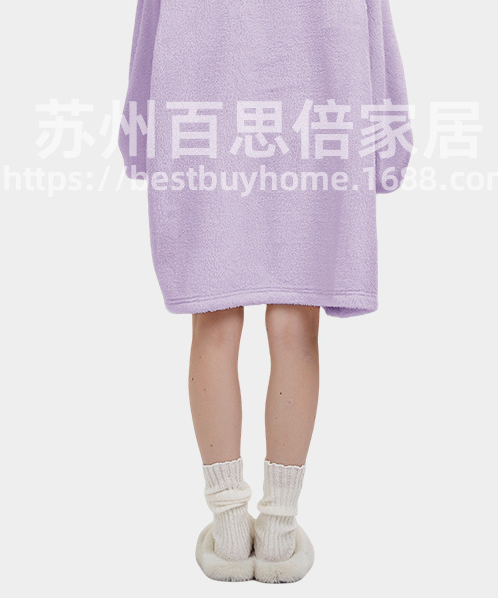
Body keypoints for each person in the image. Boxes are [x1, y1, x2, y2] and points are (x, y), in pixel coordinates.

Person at [118, 0, 412, 584]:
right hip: (317, 116)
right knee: (295, 324)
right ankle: (278, 530)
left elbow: (150, 28)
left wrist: (138, 140)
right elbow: (373, 27)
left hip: (203, 114)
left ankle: (229, 528)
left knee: (214, 320)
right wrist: (390, 147)